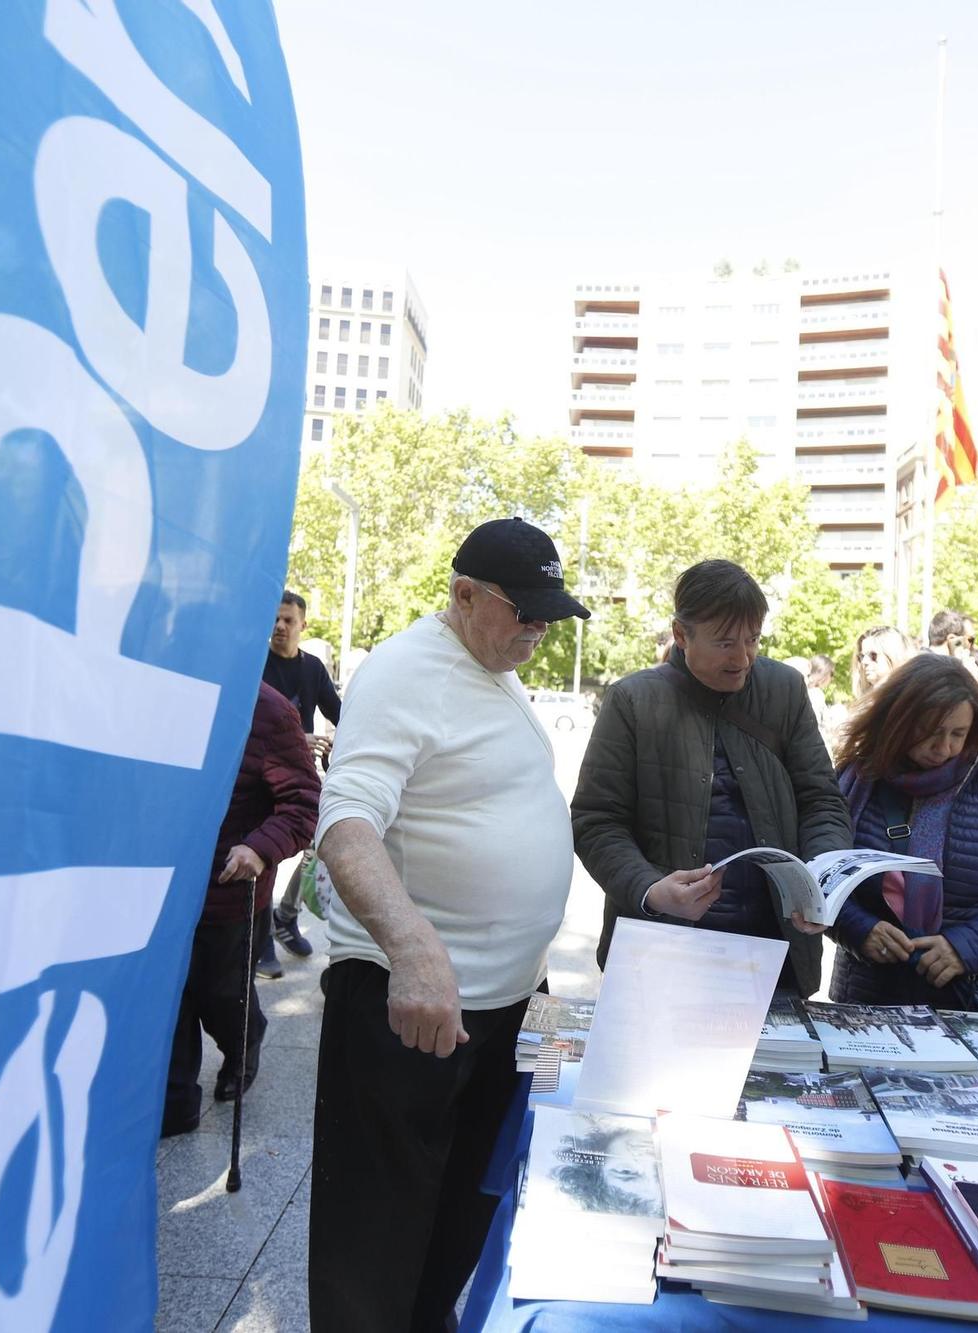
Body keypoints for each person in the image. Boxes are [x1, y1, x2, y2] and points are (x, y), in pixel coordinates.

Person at [307, 517, 590, 1332]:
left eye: (549, 615)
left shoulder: (491, 659)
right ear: (464, 594)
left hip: (505, 1000)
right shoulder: (404, 671)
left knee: (470, 1202)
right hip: (418, 999)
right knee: (376, 1237)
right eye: (524, 611)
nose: (538, 629)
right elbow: (346, 821)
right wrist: (414, 948)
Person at [573, 559, 847, 999]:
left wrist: (820, 879)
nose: (743, 658)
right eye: (724, 643)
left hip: (774, 952)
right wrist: (649, 889)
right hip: (660, 953)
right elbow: (595, 821)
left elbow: (822, 802)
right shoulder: (633, 700)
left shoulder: (785, 689)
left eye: (753, 639)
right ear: (682, 635)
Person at [826, 654, 978, 1009]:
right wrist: (859, 930)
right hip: (870, 998)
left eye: (958, 734)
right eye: (931, 733)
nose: (945, 749)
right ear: (897, 723)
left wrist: (964, 947)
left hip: (973, 1001)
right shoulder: (855, 780)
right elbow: (817, 880)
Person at [161, 682, 320, 1137]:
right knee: (172, 1003)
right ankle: (175, 1106)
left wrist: (258, 848)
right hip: (163, 894)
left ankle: (245, 1040)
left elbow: (303, 805)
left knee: (221, 996)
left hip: (229, 893)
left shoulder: (270, 711)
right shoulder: (163, 691)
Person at [262, 590, 341, 971]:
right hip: (256, 780)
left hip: (298, 779)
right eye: (274, 619)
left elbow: (343, 715)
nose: (279, 626)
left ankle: (285, 915)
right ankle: (260, 939)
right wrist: (298, 738)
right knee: (264, 853)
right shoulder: (253, 666)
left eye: (288, 620)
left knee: (316, 843)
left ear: (302, 626)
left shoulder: (312, 669)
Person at [852, 624, 913, 699]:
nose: (864, 662)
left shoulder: (911, 700)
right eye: (861, 657)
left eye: (873, 655)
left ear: (894, 656)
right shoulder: (861, 706)